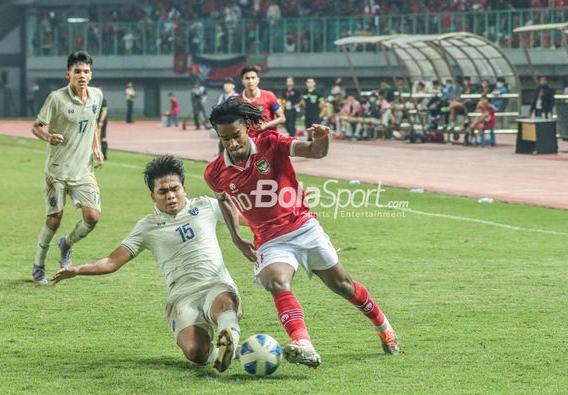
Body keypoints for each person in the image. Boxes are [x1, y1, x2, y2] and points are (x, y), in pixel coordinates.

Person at [204, 99, 400, 368]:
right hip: (270, 241)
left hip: (303, 228)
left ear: (247, 128)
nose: (232, 144)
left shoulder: (271, 143)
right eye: (224, 138)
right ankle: (304, 344)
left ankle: (383, 326)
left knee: (343, 286)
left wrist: (322, 138)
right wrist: (237, 238)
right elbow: (223, 200)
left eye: (236, 136)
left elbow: (315, 151)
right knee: (276, 282)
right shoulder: (215, 172)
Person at [52, 156, 243, 373]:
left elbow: (248, 217)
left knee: (225, 304)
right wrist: (77, 270)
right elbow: (112, 261)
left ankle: (230, 336)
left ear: (184, 189)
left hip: (215, 284)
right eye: (163, 191)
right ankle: (232, 351)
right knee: (196, 353)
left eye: (175, 188)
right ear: (153, 195)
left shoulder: (206, 206)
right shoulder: (147, 227)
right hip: (182, 296)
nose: (170, 195)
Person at [30, 51, 105, 285]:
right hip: (58, 171)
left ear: (91, 75)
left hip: (83, 170)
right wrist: (48, 136)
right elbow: (36, 127)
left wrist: (97, 147)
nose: (82, 75)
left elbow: (92, 122)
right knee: (54, 220)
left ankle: (67, 244)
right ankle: (38, 266)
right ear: (68, 74)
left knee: (92, 217)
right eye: (77, 71)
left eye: (86, 71)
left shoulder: (97, 96)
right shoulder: (56, 98)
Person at [238, 65, 285, 137]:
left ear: (258, 80)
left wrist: (266, 125)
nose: (250, 81)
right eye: (247, 78)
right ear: (242, 81)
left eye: (253, 78)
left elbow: (282, 118)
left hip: (269, 139)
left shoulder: (269, 95)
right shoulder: (238, 100)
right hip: (250, 141)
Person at [97, 88, 109, 160]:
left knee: (102, 138)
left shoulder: (103, 100)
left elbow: (104, 111)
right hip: (96, 121)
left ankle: (104, 155)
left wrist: (101, 121)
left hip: (100, 122)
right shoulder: (95, 100)